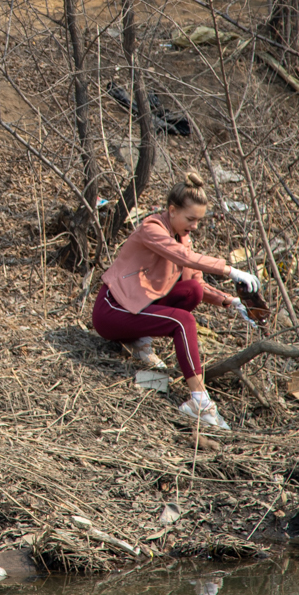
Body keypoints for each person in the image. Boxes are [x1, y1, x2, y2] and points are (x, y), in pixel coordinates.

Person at [90, 173, 261, 430]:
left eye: (198, 221)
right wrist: (229, 270)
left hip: (139, 306)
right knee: (183, 321)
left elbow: (198, 283)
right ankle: (199, 402)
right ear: (172, 210)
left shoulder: (182, 237)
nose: (194, 226)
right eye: (190, 219)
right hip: (112, 309)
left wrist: (231, 301)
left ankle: (138, 341)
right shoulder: (152, 228)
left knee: (191, 290)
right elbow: (182, 257)